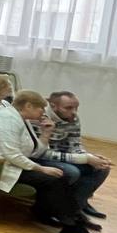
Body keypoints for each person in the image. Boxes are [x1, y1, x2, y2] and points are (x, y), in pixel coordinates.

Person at [0, 90, 106, 233]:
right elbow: (13, 154)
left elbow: (33, 152)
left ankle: (70, 222)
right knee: (55, 179)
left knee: (56, 177)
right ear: (28, 106)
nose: (43, 112)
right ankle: (72, 227)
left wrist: (46, 134)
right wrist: (41, 168)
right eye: (41, 108)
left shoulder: (21, 119)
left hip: (10, 164)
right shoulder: (6, 119)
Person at [44, 91, 111, 220]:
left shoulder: (73, 118)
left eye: (76, 108)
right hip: (44, 158)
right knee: (72, 171)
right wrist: (85, 159)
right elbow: (41, 153)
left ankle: (77, 206)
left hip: (62, 156)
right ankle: (63, 210)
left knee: (102, 168)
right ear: (53, 106)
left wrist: (90, 157)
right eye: (68, 108)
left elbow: (75, 145)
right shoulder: (41, 118)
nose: (74, 112)